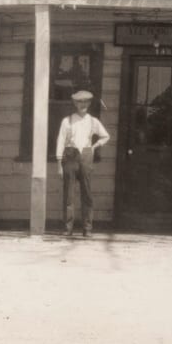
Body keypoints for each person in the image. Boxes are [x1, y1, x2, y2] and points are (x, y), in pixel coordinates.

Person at [56, 89, 109, 236]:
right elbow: (60, 141)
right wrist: (59, 163)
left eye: (85, 101)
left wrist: (93, 147)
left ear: (89, 103)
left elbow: (105, 136)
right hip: (70, 156)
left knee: (87, 193)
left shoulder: (93, 121)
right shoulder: (67, 121)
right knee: (69, 195)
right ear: (74, 103)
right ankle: (68, 228)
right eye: (79, 102)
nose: (82, 104)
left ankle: (87, 228)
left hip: (86, 156)